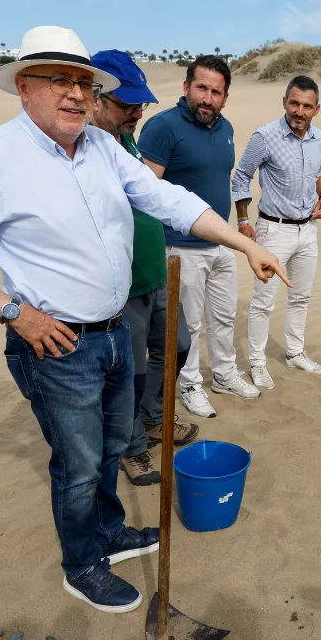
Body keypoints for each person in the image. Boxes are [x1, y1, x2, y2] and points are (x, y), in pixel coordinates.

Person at [0, 26, 289, 613]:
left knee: (109, 448)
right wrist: (14, 312)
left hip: (113, 333)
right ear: (24, 86)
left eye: (84, 81)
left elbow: (170, 201)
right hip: (57, 346)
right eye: (59, 79)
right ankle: (81, 564)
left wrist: (242, 242)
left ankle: (108, 533)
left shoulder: (103, 148)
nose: (76, 94)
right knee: (79, 465)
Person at [89, 50, 199, 487]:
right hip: (123, 288)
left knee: (178, 347)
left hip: (158, 274)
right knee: (128, 376)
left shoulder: (127, 142)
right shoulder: (86, 149)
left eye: (140, 104)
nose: (136, 112)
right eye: (127, 104)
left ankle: (155, 419)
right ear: (96, 99)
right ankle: (131, 447)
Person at [139, 55, 261, 418]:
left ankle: (224, 375)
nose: (207, 99)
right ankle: (189, 384)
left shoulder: (226, 130)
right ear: (186, 87)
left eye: (216, 92)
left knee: (224, 316)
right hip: (179, 247)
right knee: (187, 325)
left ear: (226, 97)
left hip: (221, 243)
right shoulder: (162, 127)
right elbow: (145, 192)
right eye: (201, 88)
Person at [231, 75, 321, 389]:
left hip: (308, 231)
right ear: (285, 102)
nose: (299, 110)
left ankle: (295, 352)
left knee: (300, 297)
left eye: (306, 105)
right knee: (263, 302)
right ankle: (258, 365)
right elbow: (241, 177)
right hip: (273, 230)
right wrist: (244, 221)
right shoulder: (265, 136)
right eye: (294, 103)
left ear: (317, 109)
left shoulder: (320, 138)